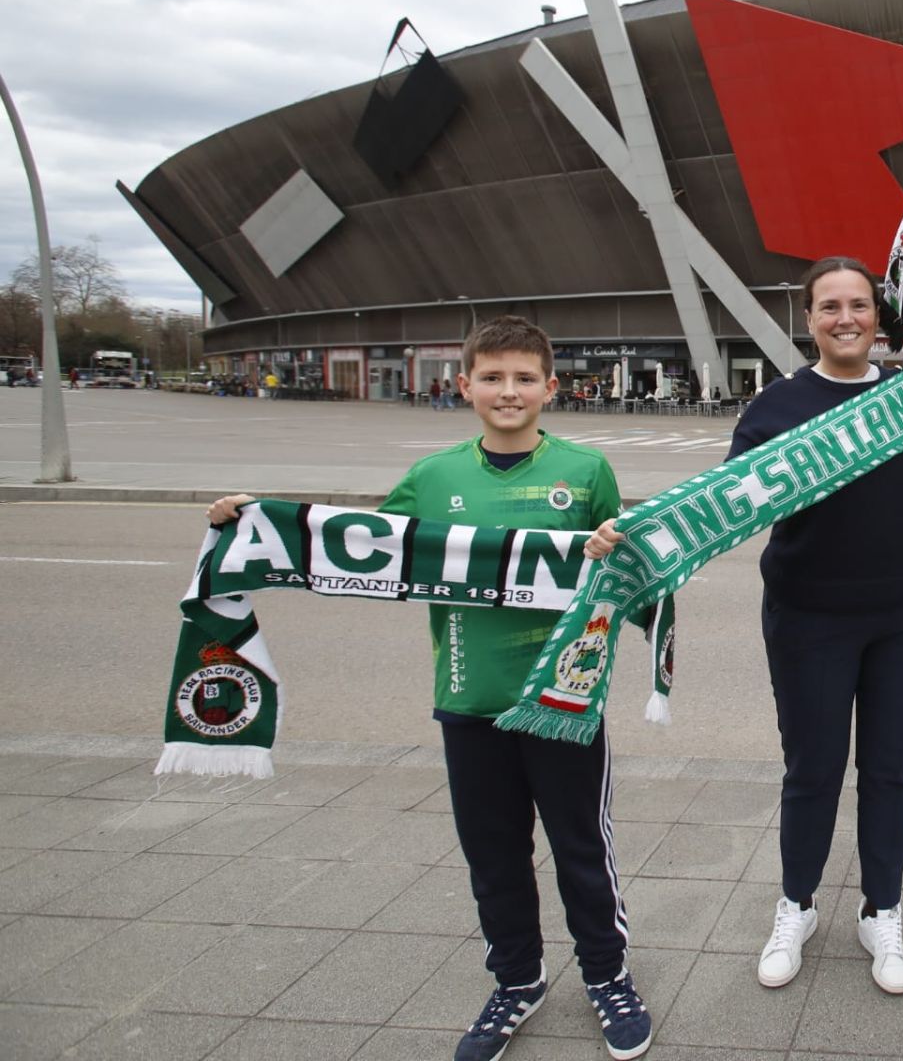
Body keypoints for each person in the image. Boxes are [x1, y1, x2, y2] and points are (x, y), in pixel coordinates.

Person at [207, 316, 651, 1061]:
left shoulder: (586, 471)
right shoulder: (434, 476)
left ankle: (607, 975)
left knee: (581, 847)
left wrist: (619, 543)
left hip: (563, 704)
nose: (507, 391)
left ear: (550, 386)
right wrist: (249, 524)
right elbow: (354, 549)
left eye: (522, 378)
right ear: (465, 385)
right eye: (492, 377)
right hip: (467, 699)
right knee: (492, 853)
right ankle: (518, 977)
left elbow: (629, 578)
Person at [592, 258, 903, 997]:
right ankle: (797, 905)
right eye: (830, 306)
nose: (846, 318)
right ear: (808, 319)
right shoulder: (776, 407)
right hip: (809, 621)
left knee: (890, 773)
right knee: (811, 771)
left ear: (880, 316)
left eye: (860, 305)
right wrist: (639, 533)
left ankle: (884, 911)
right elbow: (721, 505)